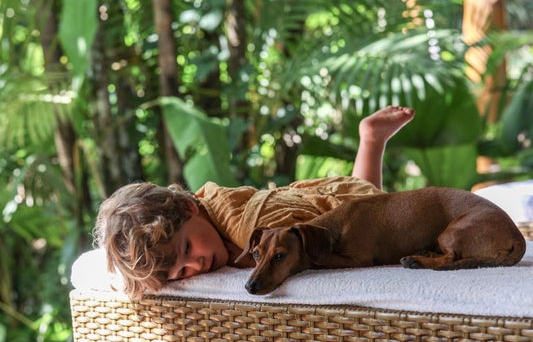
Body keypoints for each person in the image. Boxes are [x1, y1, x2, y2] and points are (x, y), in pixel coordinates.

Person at [95, 106, 414, 298]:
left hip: (333, 207)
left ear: (189, 207)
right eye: (180, 273)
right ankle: (372, 139)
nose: (196, 265)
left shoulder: (248, 226)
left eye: (187, 248)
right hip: (323, 194)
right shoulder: (203, 222)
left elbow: (310, 242)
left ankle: (371, 140)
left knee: (366, 216)